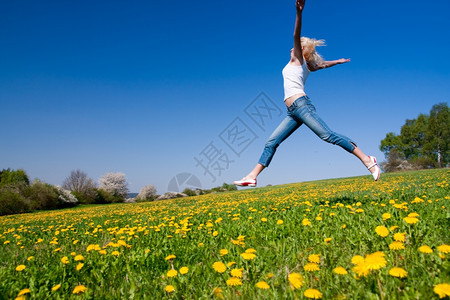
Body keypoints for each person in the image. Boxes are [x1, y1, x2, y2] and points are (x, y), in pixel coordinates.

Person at [233, 0, 380, 187]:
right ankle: (252, 176)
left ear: (301, 50)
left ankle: (367, 160)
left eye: (295, 46)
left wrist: (299, 13)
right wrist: (338, 61)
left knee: (328, 136)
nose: (291, 48)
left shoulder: (297, 60)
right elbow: (322, 65)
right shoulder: (308, 66)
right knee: (272, 141)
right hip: (292, 112)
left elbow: (296, 33)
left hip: (302, 106)